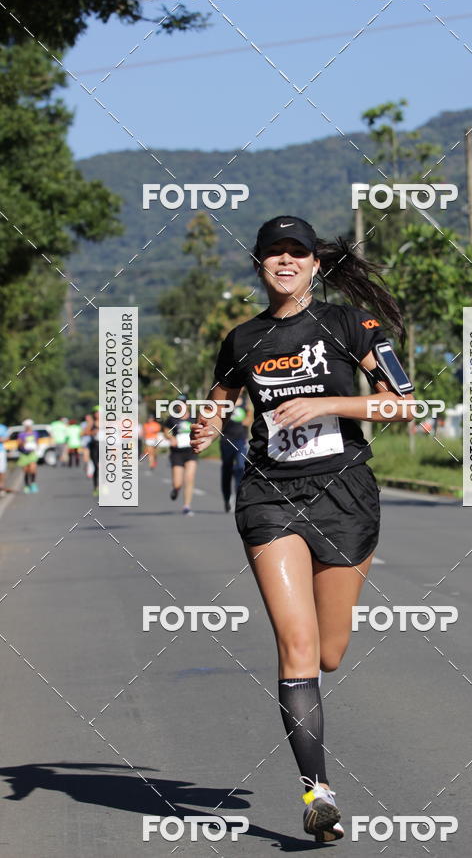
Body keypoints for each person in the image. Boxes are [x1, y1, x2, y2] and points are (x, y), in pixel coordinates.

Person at [191, 216, 416, 841]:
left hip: (344, 494)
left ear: (316, 264)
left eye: (297, 253)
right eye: (273, 253)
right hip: (269, 494)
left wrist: (326, 403)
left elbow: (402, 403)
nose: (285, 262)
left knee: (327, 653)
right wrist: (207, 424)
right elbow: (220, 397)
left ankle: (314, 731)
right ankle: (317, 794)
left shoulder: (350, 325)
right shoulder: (243, 339)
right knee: (295, 647)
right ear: (259, 263)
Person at [162, 398, 197, 516]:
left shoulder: (193, 417)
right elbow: (166, 431)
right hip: (177, 452)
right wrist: (171, 438)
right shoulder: (172, 418)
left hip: (191, 451)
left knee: (190, 478)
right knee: (178, 483)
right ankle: (176, 490)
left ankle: (187, 506)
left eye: (183, 403)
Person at [220, 392, 251, 512]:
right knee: (227, 470)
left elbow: (249, 417)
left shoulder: (245, 402)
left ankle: (239, 498)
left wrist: (247, 419)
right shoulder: (225, 402)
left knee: (240, 467)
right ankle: (227, 499)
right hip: (226, 441)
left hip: (240, 440)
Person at [17, 419, 40, 493]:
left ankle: (33, 483)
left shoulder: (35, 433)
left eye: (29, 426)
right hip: (24, 454)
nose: (28, 427)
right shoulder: (21, 434)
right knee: (26, 471)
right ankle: (26, 485)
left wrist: (35, 446)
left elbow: (37, 442)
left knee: (33, 469)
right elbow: (19, 444)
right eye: (27, 426)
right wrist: (23, 443)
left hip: (31, 453)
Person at [84, 408, 100, 496]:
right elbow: (85, 433)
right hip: (94, 446)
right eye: (96, 413)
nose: (97, 415)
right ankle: (96, 487)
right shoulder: (91, 423)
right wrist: (92, 432)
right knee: (96, 467)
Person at [0, 420, 8, 495]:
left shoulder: (2, 427)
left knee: (2, 470)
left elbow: (6, 438)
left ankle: (1, 487)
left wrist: (1, 439)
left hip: (1, 451)